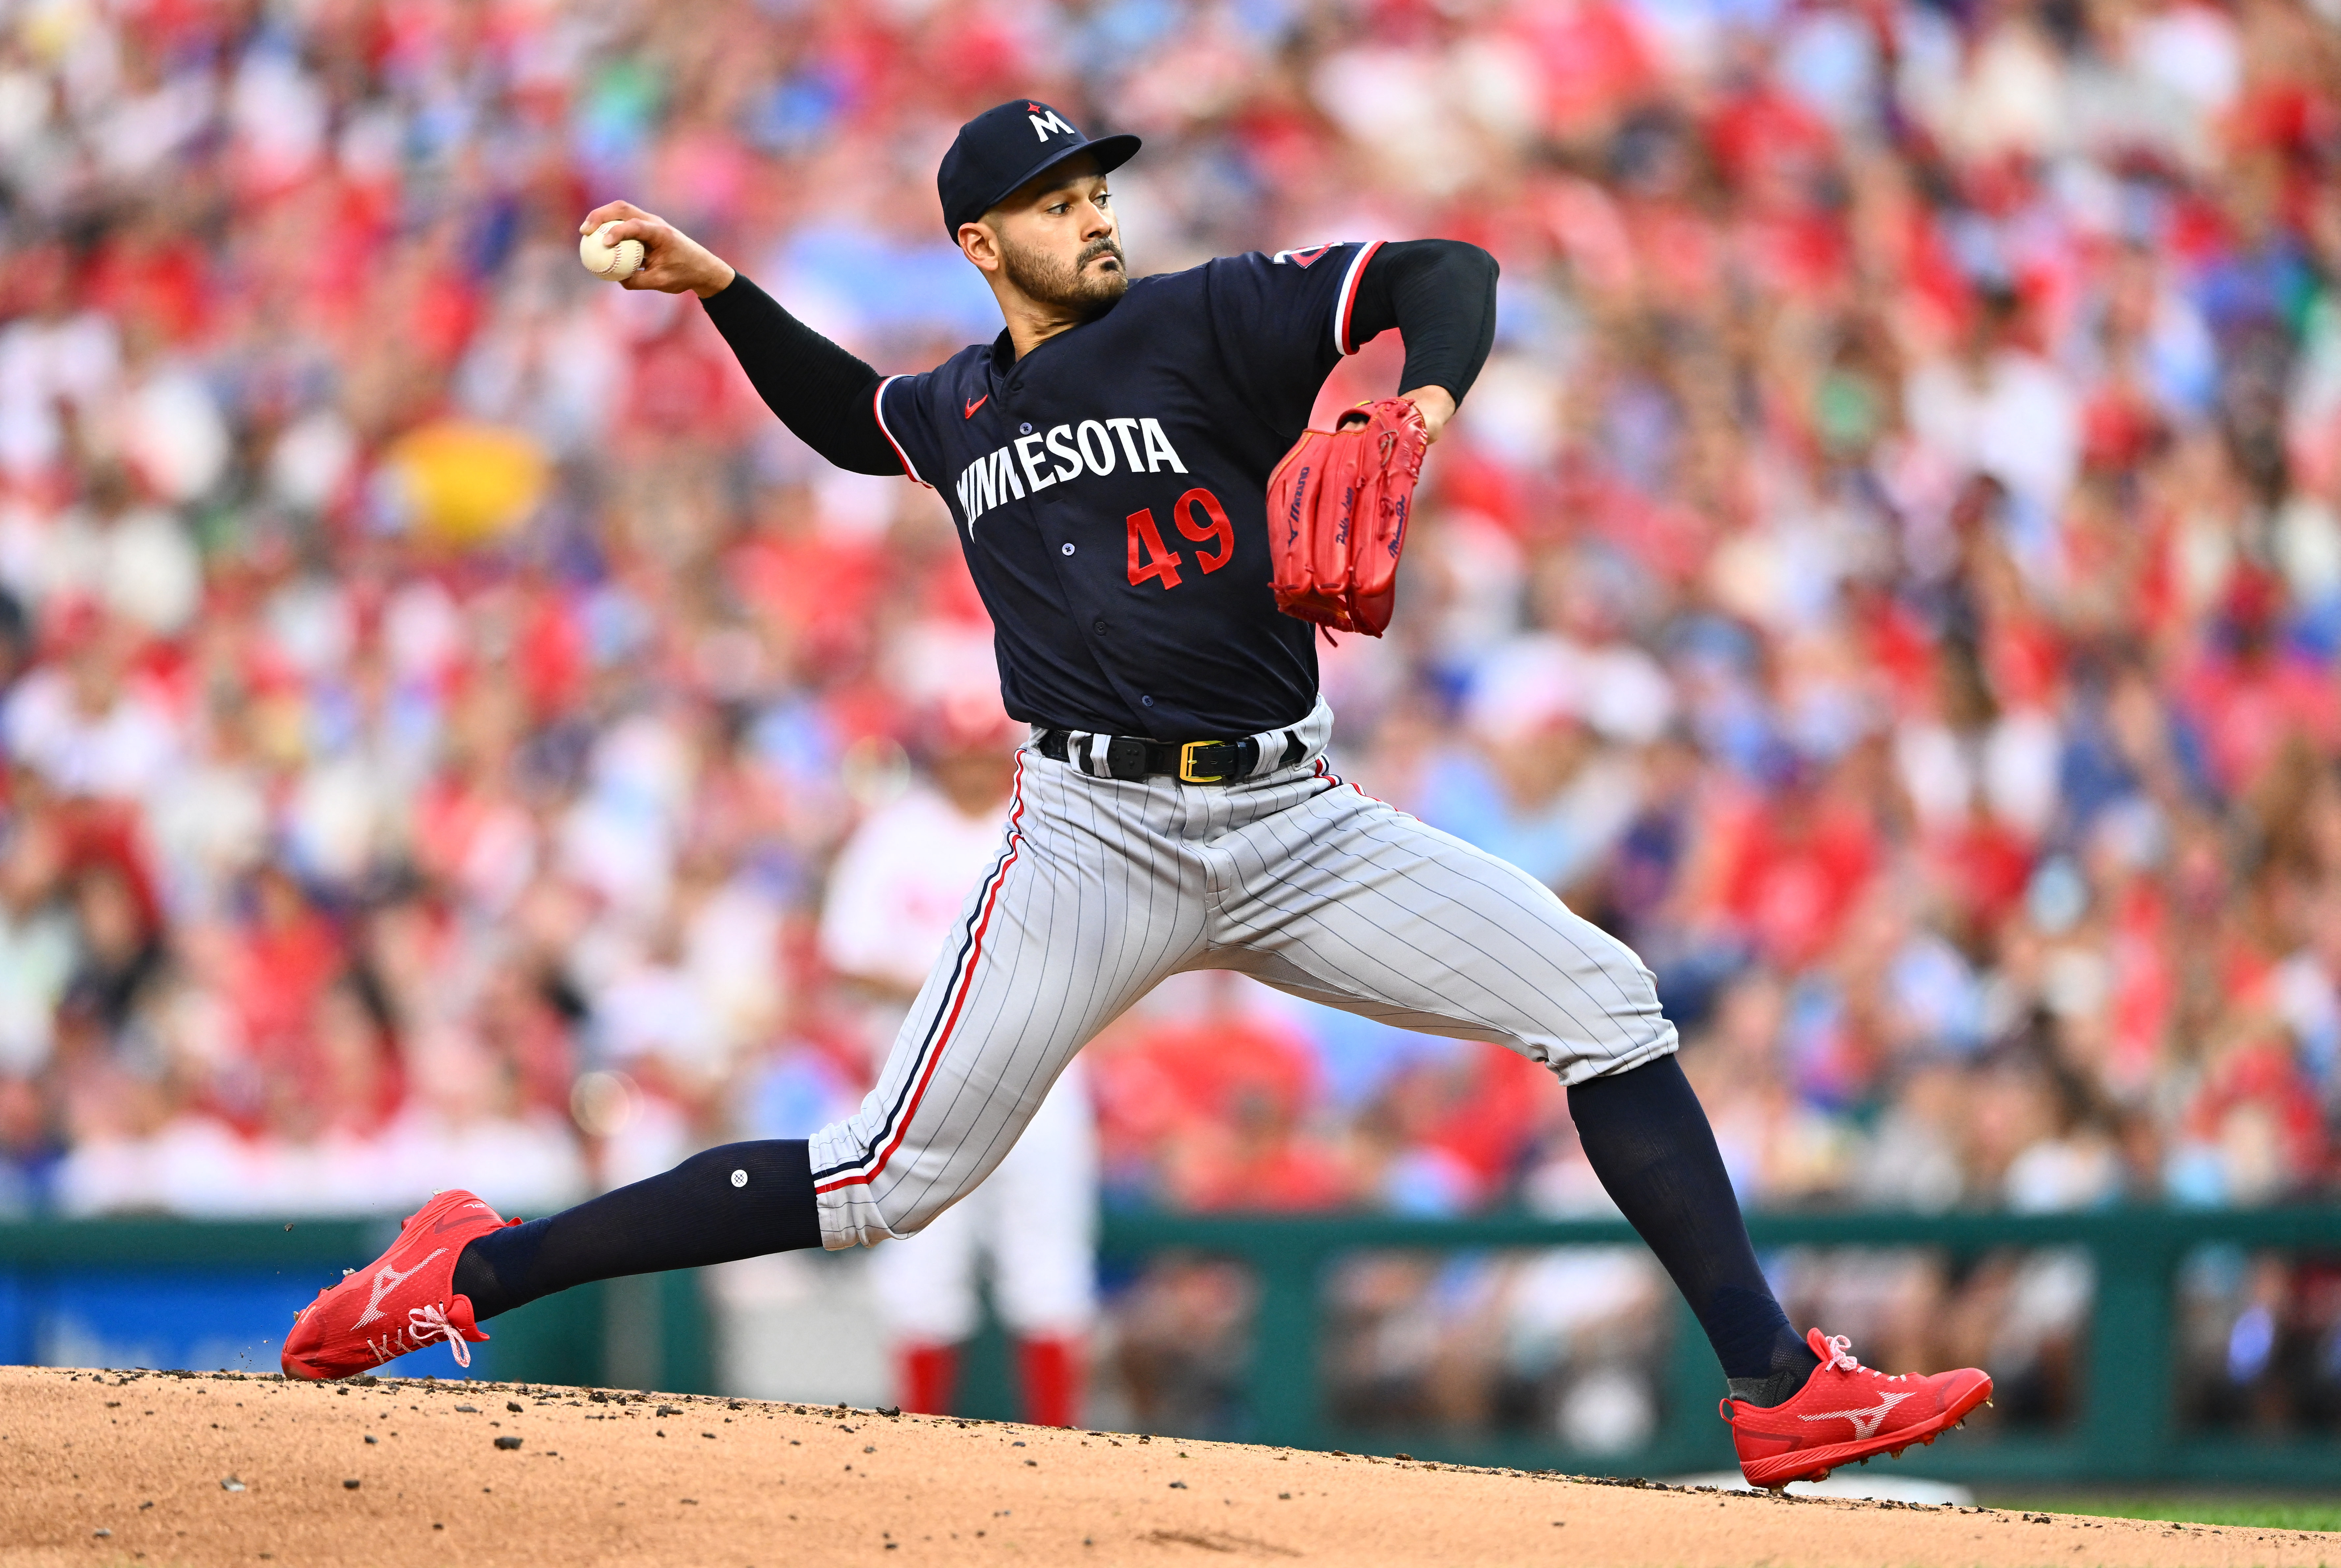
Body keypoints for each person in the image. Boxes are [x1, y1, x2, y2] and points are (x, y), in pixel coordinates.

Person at [283, 100, 1988, 1488]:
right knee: (888, 1176)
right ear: (980, 245)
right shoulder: (960, 404)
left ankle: (1779, 1385)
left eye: (1095, 181)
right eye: (1052, 196)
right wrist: (724, 288)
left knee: (1609, 999)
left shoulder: (1205, 318)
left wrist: (1419, 403)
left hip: (1292, 822)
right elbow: (846, 419)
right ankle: (468, 1265)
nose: (1092, 210)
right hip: (1093, 834)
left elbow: (1444, 268)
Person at [818, 690, 1096, 1426]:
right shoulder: (894, 834)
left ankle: (1058, 1448)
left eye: (983, 755)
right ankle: (920, 1450)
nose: (972, 770)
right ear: (937, 754)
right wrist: (955, 986)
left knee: (1049, 1268)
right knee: (922, 1265)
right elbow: (844, 954)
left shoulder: (1051, 823)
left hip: (1042, 1066)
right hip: (924, 1075)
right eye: (959, 754)